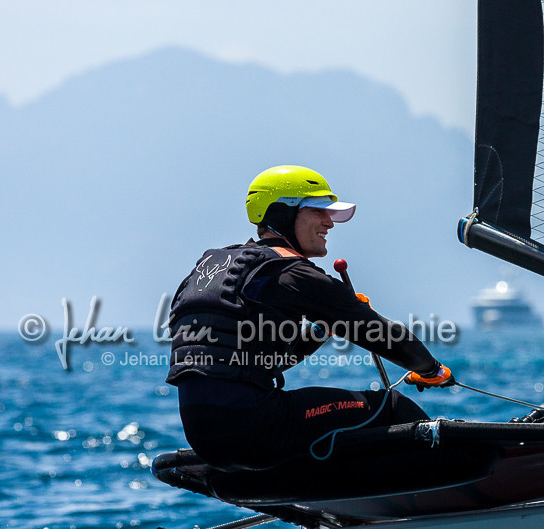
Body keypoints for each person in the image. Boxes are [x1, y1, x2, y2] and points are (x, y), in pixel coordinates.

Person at [165, 165, 453, 469]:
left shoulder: (216, 269)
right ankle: (453, 484)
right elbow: (382, 335)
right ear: (282, 214)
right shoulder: (292, 273)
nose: (329, 222)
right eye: (318, 210)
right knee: (391, 408)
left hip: (205, 440)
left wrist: (320, 330)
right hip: (257, 427)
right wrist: (431, 369)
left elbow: (259, 363)